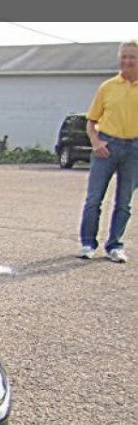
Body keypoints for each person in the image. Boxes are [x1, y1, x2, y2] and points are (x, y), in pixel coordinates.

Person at [78, 40, 138, 263]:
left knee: (124, 202)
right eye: (124, 57)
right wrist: (96, 142)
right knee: (94, 199)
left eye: (132, 57)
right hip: (107, 146)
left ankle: (115, 245)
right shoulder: (108, 87)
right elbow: (91, 121)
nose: (127, 61)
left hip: (134, 149)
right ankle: (87, 243)